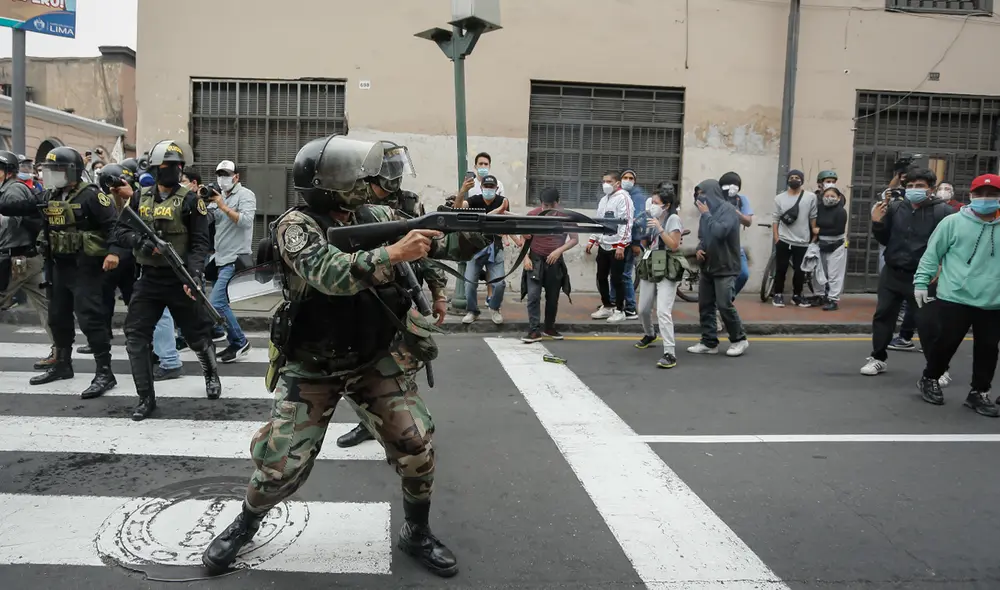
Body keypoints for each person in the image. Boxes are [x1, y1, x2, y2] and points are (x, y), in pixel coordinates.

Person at [200, 135, 491, 578]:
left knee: (415, 446)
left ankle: (416, 532)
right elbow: (328, 273)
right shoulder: (295, 226)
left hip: (372, 357)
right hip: (312, 363)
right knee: (280, 467)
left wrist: (473, 230)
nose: (372, 184)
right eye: (360, 178)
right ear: (329, 184)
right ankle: (246, 524)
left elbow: (435, 242)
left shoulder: (374, 214)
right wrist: (395, 253)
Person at [336, 140, 446, 450]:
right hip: (361, 296)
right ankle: (373, 421)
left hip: (400, 294)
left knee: (403, 363)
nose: (395, 176)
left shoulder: (409, 204)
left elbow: (428, 254)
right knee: (357, 368)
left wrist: (438, 293)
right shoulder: (352, 203)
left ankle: (405, 428)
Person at [111, 139, 222, 421]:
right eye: (168, 166)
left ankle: (210, 372)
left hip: (180, 277)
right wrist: (142, 242)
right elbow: (121, 232)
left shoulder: (190, 200)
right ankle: (145, 398)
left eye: (177, 166)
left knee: (197, 336)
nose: (174, 171)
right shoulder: (139, 197)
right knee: (135, 337)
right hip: (148, 278)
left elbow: (200, 244)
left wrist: (195, 274)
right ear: (156, 168)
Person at [27, 146, 119, 398]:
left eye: (57, 169)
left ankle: (104, 372)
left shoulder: (91, 196)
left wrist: (113, 252)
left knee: (90, 319)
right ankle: (62, 364)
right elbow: (26, 207)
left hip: (86, 268)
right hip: (58, 267)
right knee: (57, 317)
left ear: (72, 171)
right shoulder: (51, 195)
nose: (52, 174)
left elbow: (113, 226)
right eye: (50, 169)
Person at [913, 174, 1000, 416]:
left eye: (992, 194)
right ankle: (930, 378)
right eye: (980, 194)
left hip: (993, 300)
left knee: (988, 348)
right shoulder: (952, 223)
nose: (986, 199)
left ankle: (979, 392)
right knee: (946, 343)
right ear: (971, 196)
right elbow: (932, 254)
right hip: (955, 296)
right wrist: (921, 282)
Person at [861, 166, 953, 376]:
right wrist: (877, 223)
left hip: (923, 277)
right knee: (883, 316)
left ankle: (938, 369)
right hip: (892, 273)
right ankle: (878, 358)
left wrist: (941, 267)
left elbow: (951, 245)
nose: (914, 189)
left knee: (928, 324)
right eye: (910, 186)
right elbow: (886, 239)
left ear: (931, 188)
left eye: (919, 186)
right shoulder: (895, 208)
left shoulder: (944, 212)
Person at [686, 180, 750, 357]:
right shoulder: (705, 214)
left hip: (726, 266)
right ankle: (709, 342)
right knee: (705, 305)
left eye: (703, 193)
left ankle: (739, 339)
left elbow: (720, 232)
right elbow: (704, 237)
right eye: (697, 193)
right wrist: (699, 248)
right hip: (708, 266)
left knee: (724, 304)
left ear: (712, 192)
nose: (700, 197)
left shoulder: (728, 210)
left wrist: (706, 215)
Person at [206, 160, 255, 362]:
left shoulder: (245, 195)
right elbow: (209, 220)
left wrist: (222, 206)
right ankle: (224, 334)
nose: (222, 178)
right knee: (221, 301)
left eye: (226, 174)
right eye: (219, 174)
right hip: (219, 257)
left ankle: (239, 341)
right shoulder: (218, 196)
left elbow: (245, 221)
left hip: (236, 258)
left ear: (236, 177)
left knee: (216, 302)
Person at [0, 150, 50, 341]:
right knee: (46, 306)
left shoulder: (12, 190)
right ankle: (60, 352)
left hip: (16, 260)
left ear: (8, 171)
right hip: (27, 258)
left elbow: (15, 211)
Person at [633, 185, 683, 368]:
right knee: (643, 308)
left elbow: (674, 245)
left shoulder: (673, 219)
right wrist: (643, 232)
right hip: (651, 262)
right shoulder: (652, 218)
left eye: (656, 203)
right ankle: (650, 334)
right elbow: (646, 242)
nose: (652, 205)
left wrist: (660, 229)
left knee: (663, 311)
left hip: (667, 264)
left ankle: (670, 353)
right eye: (652, 202)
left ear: (666, 205)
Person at [520, 187, 576, 343]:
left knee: (553, 297)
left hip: (554, 261)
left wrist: (559, 251)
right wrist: (526, 258)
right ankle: (534, 330)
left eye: (550, 206)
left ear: (557, 203)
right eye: (544, 206)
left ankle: (549, 327)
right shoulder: (532, 215)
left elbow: (574, 239)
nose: (547, 209)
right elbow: (523, 238)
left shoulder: (566, 217)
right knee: (533, 296)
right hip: (535, 260)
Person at [460, 174, 509, 325]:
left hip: (495, 247)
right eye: (486, 187)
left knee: (499, 283)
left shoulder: (502, 201)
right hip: (475, 249)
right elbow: (458, 208)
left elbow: (508, 221)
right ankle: (472, 311)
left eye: (491, 187)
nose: (488, 189)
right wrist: (462, 191)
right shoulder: (474, 200)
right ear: (481, 188)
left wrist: (513, 237)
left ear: (496, 188)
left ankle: (494, 307)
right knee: (469, 283)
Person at [586, 171, 633, 323]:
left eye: (608, 181)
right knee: (601, 277)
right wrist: (592, 239)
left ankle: (620, 310)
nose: (605, 184)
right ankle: (607, 306)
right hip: (604, 245)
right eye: (604, 181)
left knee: (617, 279)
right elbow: (599, 221)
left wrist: (621, 245)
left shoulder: (624, 198)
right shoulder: (604, 200)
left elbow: (627, 223)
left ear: (617, 183)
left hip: (616, 246)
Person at [771, 170, 819, 307]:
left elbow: (813, 216)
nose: (794, 179)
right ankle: (778, 294)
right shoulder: (779, 198)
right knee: (781, 268)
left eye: (797, 177)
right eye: (791, 177)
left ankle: (797, 295)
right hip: (784, 239)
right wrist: (776, 237)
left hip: (802, 240)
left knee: (800, 270)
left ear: (802, 180)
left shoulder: (810, 197)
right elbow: (775, 218)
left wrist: (814, 235)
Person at [613, 167, 647, 319]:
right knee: (615, 274)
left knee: (625, 275)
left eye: (630, 178)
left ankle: (631, 307)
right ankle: (614, 302)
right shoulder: (618, 194)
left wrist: (635, 242)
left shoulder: (637, 197)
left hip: (629, 241)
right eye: (625, 178)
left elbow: (639, 221)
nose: (628, 181)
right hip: (618, 240)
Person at [718, 171, 754, 297]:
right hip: (717, 247)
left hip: (735, 247)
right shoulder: (716, 199)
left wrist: (735, 211)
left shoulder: (741, 200)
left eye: (734, 185)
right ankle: (719, 305)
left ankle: (727, 301)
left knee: (743, 274)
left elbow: (748, 221)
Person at [814, 186, 848, 311]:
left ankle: (833, 299)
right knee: (818, 272)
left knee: (834, 274)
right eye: (827, 196)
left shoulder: (841, 212)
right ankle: (819, 295)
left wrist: (820, 230)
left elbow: (838, 230)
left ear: (839, 198)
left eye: (833, 196)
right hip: (821, 244)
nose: (829, 199)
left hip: (836, 245)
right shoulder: (819, 209)